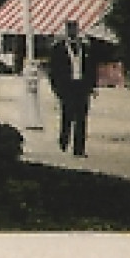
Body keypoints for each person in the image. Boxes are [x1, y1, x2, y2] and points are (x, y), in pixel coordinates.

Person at [47, 19, 98, 157]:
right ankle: (64, 142)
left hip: (81, 86)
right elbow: (53, 70)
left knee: (82, 117)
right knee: (67, 115)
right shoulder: (58, 49)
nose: (72, 32)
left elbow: (91, 68)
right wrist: (56, 88)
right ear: (66, 31)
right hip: (67, 86)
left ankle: (79, 149)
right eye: (69, 29)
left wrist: (92, 86)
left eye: (74, 29)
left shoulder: (85, 48)